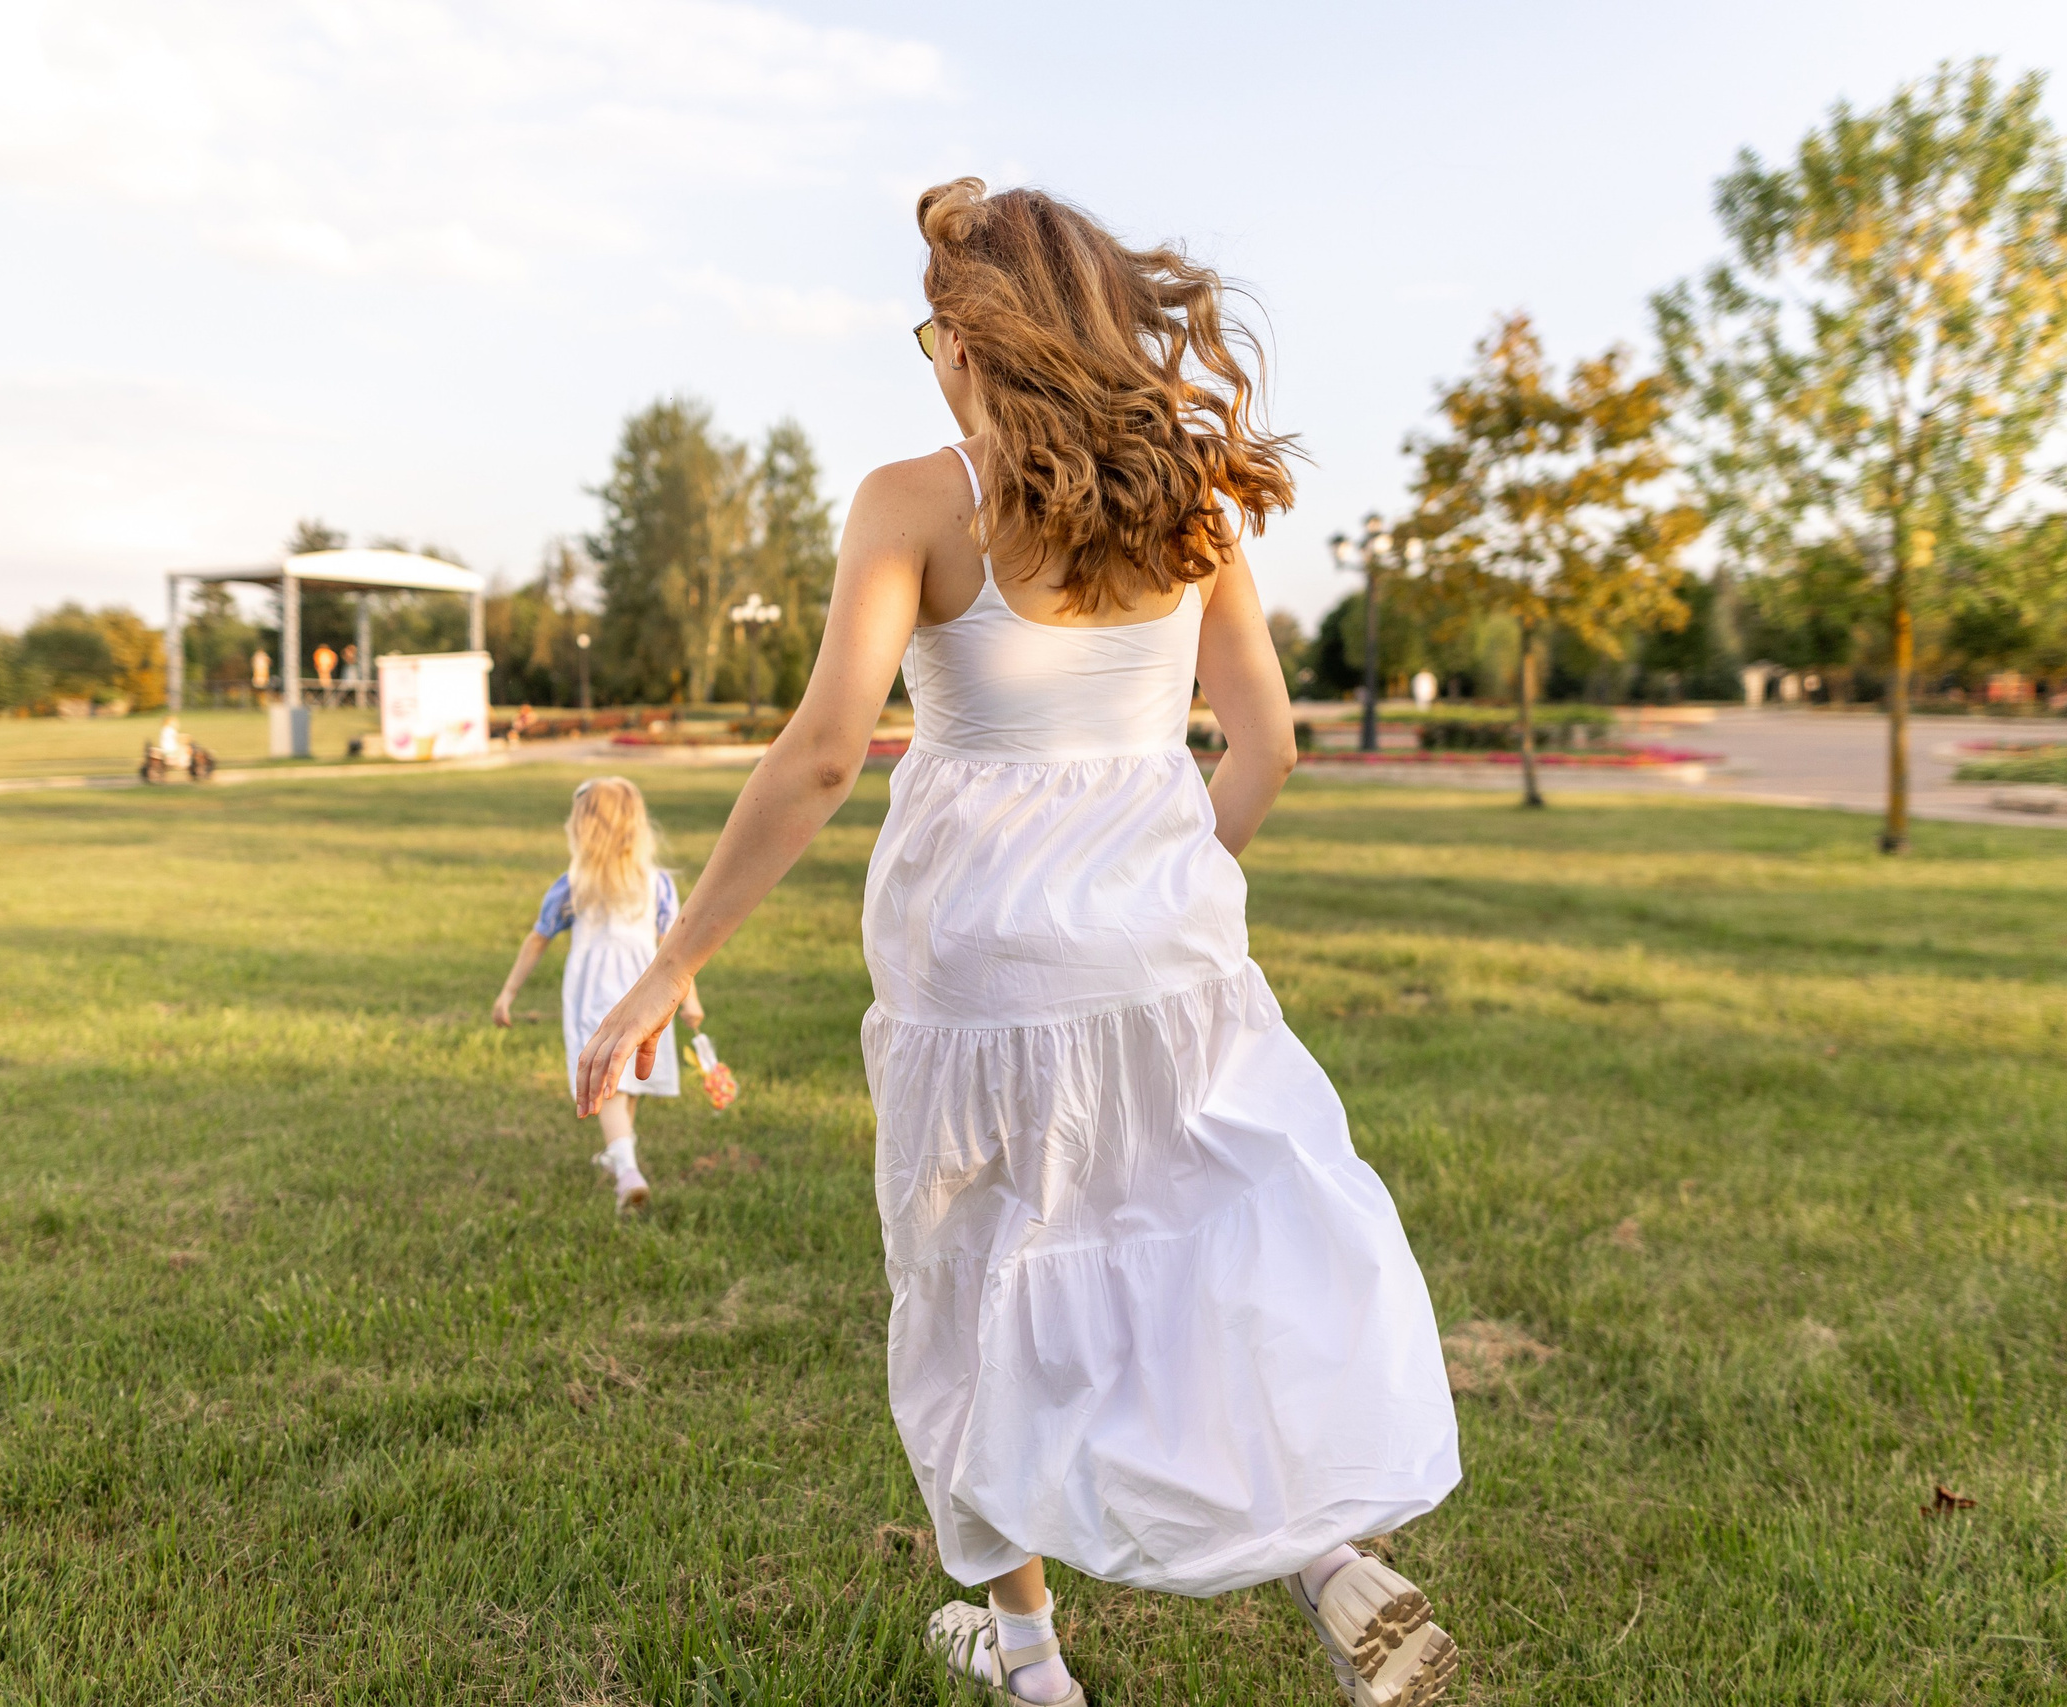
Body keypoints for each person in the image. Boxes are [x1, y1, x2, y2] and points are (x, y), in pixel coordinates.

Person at [574, 179, 1460, 1705]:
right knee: (1216, 1248)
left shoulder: (915, 501)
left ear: (978, 338)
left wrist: (664, 966)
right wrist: (1145, 893)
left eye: (936, 329)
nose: (932, 358)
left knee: (976, 1291)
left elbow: (820, 757)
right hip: (1166, 957)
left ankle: (1033, 1659)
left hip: (970, 974)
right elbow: (1266, 750)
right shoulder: (1189, 496)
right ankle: (1332, 1553)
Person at [495, 777, 705, 1211]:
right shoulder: (657, 884)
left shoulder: (573, 883)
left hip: (592, 991)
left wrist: (509, 992)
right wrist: (690, 1000)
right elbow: (675, 948)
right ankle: (618, 1151)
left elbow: (538, 939)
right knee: (624, 1074)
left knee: (606, 1077)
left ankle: (626, 1169)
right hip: (645, 986)